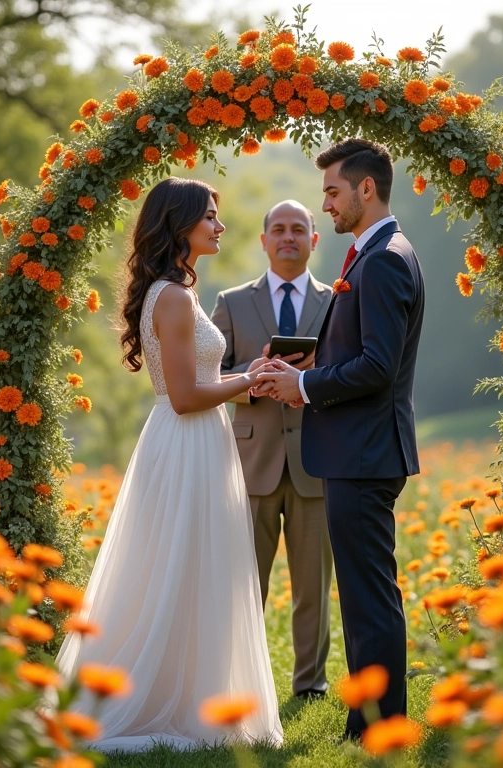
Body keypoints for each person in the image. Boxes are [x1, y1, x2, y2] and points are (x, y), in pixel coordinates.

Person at [56, 177, 283, 752]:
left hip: (189, 439)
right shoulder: (176, 297)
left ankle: (188, 691)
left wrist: (245, 380)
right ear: (179, 222)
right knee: (185, 564)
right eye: (210, 216)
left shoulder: (172, 291)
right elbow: (185, 396)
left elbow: (200, 384)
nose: (220, 226)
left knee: (188, 568)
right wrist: (248, 380)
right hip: (186, 440)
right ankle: (170, 701)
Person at [254, 139, 425, 740]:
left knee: (369, 598)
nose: (325, 203)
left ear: (366, 189)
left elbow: (378, 366)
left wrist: (303, 383)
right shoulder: (375, 252)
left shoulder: (381, 259)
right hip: (361, 449)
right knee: (362, 595)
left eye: (331, 191)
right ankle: (370, 720)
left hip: (364, 452)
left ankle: (378, 726)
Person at [211, 200, 333, 701]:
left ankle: (311, 687)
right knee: (244, 587)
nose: (288, 237)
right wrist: (254, 381)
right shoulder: (233, 301)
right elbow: (206, 377)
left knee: (313, 591)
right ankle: (240, 683)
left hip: (318, 462)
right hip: (250, 465)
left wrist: (309, 378)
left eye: (298, 229)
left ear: (313, 240)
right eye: (279, 229)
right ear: (263, 241)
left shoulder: (338, 302)